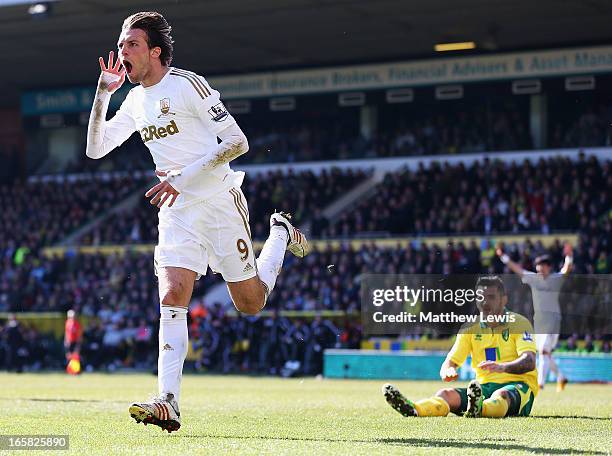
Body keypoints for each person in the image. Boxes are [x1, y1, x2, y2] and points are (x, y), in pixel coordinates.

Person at [85, 11, 309, 433]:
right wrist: (103, 94)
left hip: (218, 200)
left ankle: (279, 231)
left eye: (131, 44)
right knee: (172, 294)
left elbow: (238, 142)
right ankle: (167, 401)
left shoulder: (187, 85)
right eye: (120, 44)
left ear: (155, 51)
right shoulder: (134, 100)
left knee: (250, 303)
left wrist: (182, 177)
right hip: (177, 209)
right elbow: (96, 150)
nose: (121, 51)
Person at [383, 276, 539, 418]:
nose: (485, 303)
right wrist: (448, 370)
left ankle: (480, 408)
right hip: (483, 388)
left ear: (503, 300)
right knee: (445, 394)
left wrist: (502, 367)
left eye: (491, 297)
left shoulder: (519, 323)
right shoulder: (470, 328)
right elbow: (450, 361)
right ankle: (415, 410)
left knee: (502, 395)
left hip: (518, 386)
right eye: (480, 298)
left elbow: (529, 360)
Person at [496, 244, 572, 391]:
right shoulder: (533, 279)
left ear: (548, 267)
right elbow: (517, 269)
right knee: (545, 353)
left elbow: (567, 268)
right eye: (537, 266)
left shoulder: (555, 279)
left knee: (544, 351)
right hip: (539, 321)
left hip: (554, 320)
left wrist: (569, 255)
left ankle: (540, 384)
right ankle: (561, 377)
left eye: (542, 266)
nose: (539, 269)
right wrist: (503, 257)